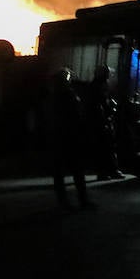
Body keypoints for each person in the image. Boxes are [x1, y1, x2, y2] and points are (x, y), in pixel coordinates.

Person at [44, 68, 93, 209]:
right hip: (70, 138)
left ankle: (64, 202)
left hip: (57, 138)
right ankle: (82, 201)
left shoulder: (51, 97)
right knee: (77, 171)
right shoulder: (69, 96)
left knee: (59, 173)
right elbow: (77, 117)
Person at [82, 66, 123, 180]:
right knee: (106, 146)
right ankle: (108, 171)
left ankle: (107, 171)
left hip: (99, 120)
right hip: (101, 120)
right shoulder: (99, 86)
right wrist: (110, 110)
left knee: (104, 147)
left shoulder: (95, 85)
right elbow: (101, 102)